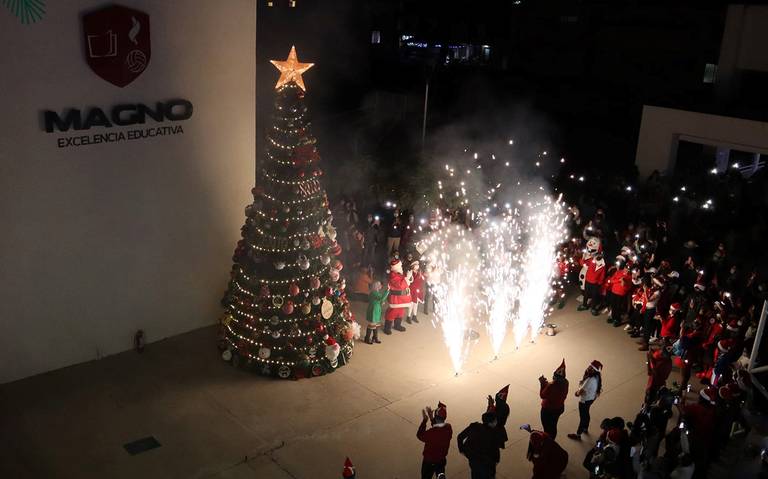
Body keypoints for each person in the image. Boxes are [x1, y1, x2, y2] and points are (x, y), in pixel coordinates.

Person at [457, 411, 504, 479]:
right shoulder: (493, 434)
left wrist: (461, 450)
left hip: (473, 461)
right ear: (491, 423)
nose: (496, 422)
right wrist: (496, 461)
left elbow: (460, 437)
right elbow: (495, 451)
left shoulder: (474, 426)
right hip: (486, 465)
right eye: (495, 420)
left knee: (475, 474)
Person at [568, 360, 603, 441]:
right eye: (589, 366)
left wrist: (576, 392)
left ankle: (578, 434)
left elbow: (579, 393)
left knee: (583, 417)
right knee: (586, 413)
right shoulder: (597, 377)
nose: (588, 368)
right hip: (591, 398)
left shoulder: (590, 380)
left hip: (585, 400)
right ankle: (585, 428)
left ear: (594, 370)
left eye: (591, 367)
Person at [417, 402, 452, 479]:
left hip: (429, 462)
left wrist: (424, 421)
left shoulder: (431, 433)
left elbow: (419, 435)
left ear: (436, 416)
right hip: (441, 460)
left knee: (426, 476)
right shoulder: (448, 428)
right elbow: (437, 427)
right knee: (440, 474)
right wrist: (431, 418)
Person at [539, 359, 569, 439]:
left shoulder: (551, 386)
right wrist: (547, 384)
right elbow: (553, 392)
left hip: (548, 410)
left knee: (547, 427)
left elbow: (543, 395)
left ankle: (547, 440)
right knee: (553, 425)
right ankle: (552, 439)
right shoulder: (566, 382)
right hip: (559, 408)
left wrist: (542, 384)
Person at [384, 258, 412, 334]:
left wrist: (409, 278)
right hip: (396, 298)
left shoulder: (400, 274)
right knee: (393, 312)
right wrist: (406, 279)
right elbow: (400, 285)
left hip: (402, 298)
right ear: (396, 268)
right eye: (400, 267)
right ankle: (387, 327)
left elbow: (406, 283)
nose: (401, 268)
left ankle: (397, 325)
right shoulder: (393, 276)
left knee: (400, 312)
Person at [606, 257, 631, 326]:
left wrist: (623, 282)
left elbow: (627, 287)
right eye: (626, 268)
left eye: (628, 269)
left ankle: (617, 319)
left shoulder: (629, 277)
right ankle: (613, 317)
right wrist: (619, 280)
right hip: (614, 291)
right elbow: (611, 280)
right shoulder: (618, 272)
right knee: (613, 305)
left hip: (620, 293)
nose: (626, 269)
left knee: (618, 307)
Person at [364, 280, 389, 344]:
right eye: (380, 285)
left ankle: (375, 337)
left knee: (376, 325)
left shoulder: (376, 292)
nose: (381, 286)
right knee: (371, 325)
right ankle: (367, 338)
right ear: (376, 286)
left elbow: (379, 300)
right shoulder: (373, 293)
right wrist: (387, 291)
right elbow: (381, 298)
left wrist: (381, 302)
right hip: (373, 310)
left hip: (376, 310)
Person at [407, 260, 425, 324]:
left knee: (416, 304)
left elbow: (423, 279)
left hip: (417, 290)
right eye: (416, 265)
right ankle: (408, 317)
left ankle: (414, 316)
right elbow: (407, 281)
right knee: (411, 304)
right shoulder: (410, 272)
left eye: (418, 265)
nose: (417, 266)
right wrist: (410, 280)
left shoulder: (419, 272)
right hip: (412, 290)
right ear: (413, 266)